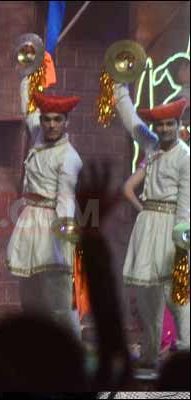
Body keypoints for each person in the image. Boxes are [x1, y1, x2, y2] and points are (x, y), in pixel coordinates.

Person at [114, 84, 190, 369]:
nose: (165, 129)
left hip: (172, 227)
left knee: (175, 296)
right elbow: (133, 123)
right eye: (161, 125)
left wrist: (181, 247)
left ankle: (185, 351)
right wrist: (120, 87)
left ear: (179, 125)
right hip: (148, 224)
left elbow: (185, 205)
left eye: (170, 124)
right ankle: (149, 353)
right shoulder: (153, 146)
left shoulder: (185, 157)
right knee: (147, 296)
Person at [6, 77, 83, 337]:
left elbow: (65, 200)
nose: (51, 125)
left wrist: (61, 242)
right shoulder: (38, 134)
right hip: (30, 219)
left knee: (59, 299)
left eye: (57, 120)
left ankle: (72, 349)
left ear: (66, 122)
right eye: (47, 119)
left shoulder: (69, 158)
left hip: (52, 223)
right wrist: (27, 72)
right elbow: (27, 107)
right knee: (29, 296)